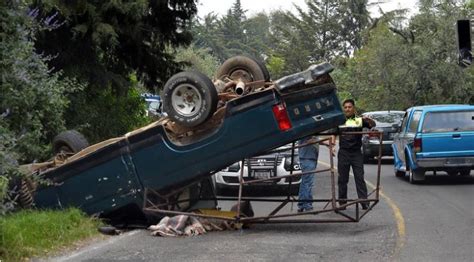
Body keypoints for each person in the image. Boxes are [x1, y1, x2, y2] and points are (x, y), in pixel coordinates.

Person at [337, 99, 375, 210]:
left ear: (353, 108)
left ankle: (364, 201)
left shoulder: (359, 120)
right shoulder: (340, 120)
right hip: (343, 152)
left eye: (349, 107)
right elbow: (332, 132)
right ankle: (342, 202)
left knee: (359, 177)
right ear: (343, 109)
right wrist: (331, 144)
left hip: (356, 153)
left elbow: (372, 125)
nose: (347, 109)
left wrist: (369, 120)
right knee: (342, 179)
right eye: (345, 107)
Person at [296, 135, 334, 213]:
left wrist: (326, 143)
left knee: (305, 182)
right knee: (308, 182)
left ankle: (302, 204)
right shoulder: (307, 131)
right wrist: (326, 142)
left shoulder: (309, 132)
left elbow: (314, 140)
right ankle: (307, 205)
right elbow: (312, 140)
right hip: (307, 158)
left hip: (309, 158)